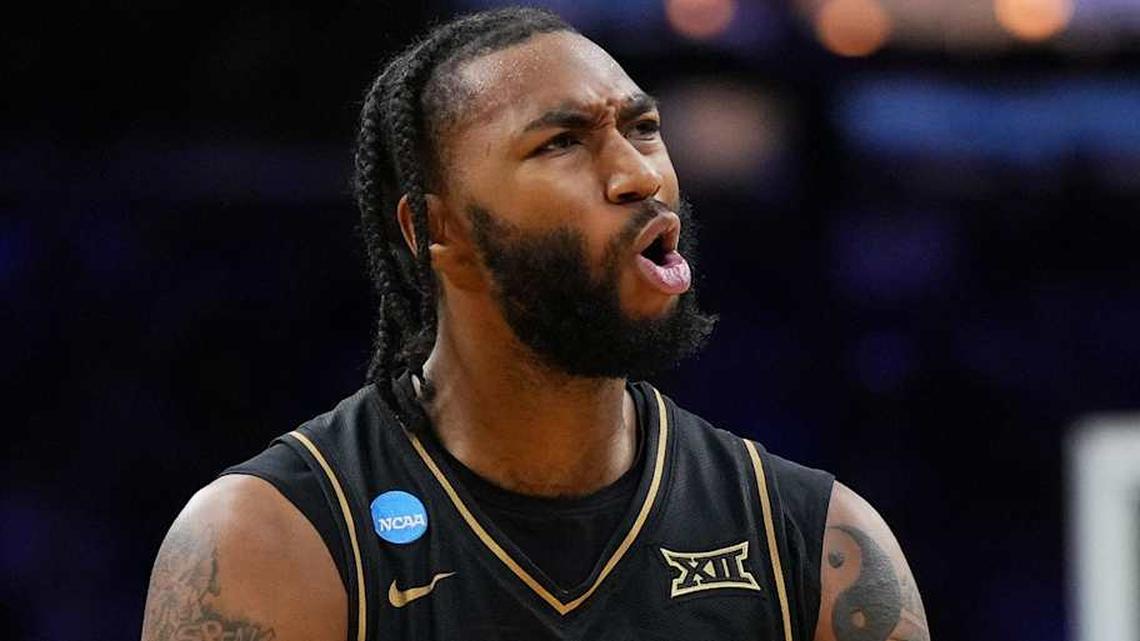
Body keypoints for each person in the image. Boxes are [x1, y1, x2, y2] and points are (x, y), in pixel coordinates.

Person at [141, 7, 929, 641]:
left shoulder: (818, 545)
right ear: (436, 231)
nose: (638, 174)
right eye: (562, 143)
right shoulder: (271, 541)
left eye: (644, 128)